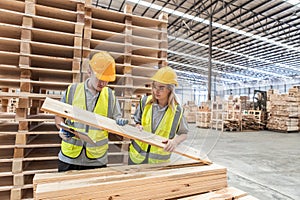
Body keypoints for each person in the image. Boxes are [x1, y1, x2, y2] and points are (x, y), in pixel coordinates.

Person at [55, 51, 127, 172]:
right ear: (89, 71)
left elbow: (116, 122)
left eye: (106, 80)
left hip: (97, 158)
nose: (103, 83)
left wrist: (119, 123)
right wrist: (61, 128)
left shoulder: (110, 96)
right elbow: (58, 116)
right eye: (99, 78)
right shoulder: (72, 90)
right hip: (69, 157)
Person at [128, 66, 188, 164]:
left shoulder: (177, 111)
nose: (156, 91)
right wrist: (137, 126)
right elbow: (136, 121)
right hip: (137, 156)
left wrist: (175, 142)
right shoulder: (145, 102)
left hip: (158, 161)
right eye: (155, 86)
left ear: (170, 89)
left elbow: (184, 133)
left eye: (161, 88)